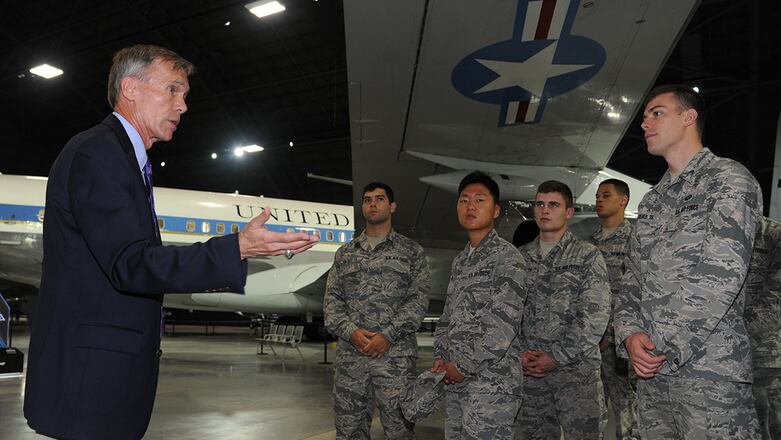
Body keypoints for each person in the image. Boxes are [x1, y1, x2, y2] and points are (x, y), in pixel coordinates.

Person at [23, 45, 319, 440]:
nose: (183, 105)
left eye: (184, 94)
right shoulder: (100, 153)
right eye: (172, 90)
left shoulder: (123, 157)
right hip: (91, 380)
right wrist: (236, 248)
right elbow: (132, 264)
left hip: (99, 374)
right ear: (130, 88)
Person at [614, 84, 763, 439]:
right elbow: (632, 279)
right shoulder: (651, 201)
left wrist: (658, 343)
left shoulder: (727, 179)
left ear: (688, 117)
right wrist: (630, 335)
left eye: (657, 113)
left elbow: (722, 271)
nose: (644, 124)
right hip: (653, 377)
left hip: (710, 375)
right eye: (644, 117)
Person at [323, 182, 430, 440]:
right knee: (349, 432)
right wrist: (351, 332)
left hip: (395, 360)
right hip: (352, 360)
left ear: (392, 206)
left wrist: (388, 335)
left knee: (399, 431)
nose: (372, 204)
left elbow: (418, 302)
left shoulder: (411, 252)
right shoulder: (345, 254)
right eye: (367, 199)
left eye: (380, 199)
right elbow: (332, 302)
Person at [432, 172, 527, 440]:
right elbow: (448, 316)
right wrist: (441, 355)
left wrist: (461, 365)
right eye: (464, 200)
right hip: (457, 381)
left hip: (492, 385)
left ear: (496, 210)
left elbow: (503, 327)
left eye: (479, 200)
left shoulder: (507, 258)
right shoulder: (461, 260)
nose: (470, 206)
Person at [516, 180, 611, 439]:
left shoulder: (587, 256)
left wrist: (556, 356)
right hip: (531, 376)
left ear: (569, 212)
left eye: (553, 205)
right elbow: (508, 314)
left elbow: (594, 316)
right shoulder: (519, 259)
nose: (545, 210)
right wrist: (520, 354)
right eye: (540, 204)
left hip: (576, 376)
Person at [589, 179, 640, 439]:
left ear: (623, 200)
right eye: (597, 196)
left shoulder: (635, 240)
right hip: (591, 343)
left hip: (621, 344)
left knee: (626, 413)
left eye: (606, 195)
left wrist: (609, 334)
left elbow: (632, 293)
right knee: (590, 411)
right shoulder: (590, 243)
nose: (599, 200)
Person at [743, 217, 781, 440]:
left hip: (764, 360)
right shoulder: (705, 231)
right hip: (710, 364)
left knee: (772, 431)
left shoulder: (775, 235)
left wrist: (732, 338)